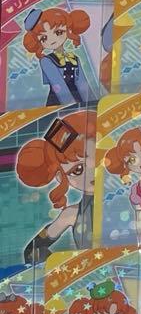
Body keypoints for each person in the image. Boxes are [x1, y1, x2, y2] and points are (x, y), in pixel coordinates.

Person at [17, 112, 96, 263]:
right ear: (61, 177)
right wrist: (62, 265)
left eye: (98, 157)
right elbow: (32, 250)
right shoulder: (73, 214)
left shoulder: (131, 194)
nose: (93, 171)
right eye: (78, 169)